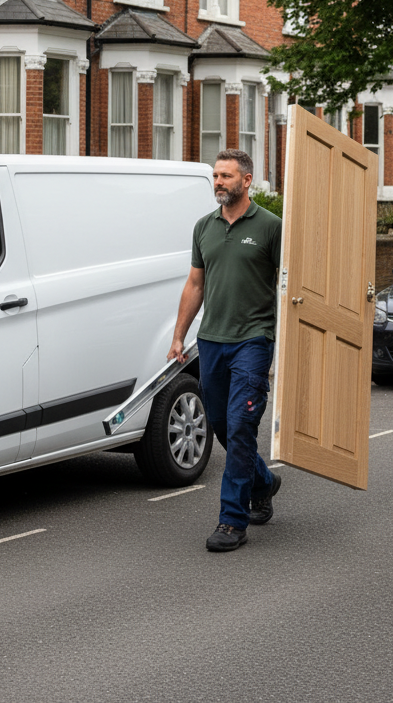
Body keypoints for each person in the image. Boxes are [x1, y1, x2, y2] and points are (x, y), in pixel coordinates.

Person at [167, 149, 283, 552]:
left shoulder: (271, 227)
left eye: (226, 176)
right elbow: (195, 285)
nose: (218, 182)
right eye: (216, 176)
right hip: (212, 340)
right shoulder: (205, 228)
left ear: (246, 181)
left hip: (253, 339)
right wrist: (179, 335)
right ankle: (265, 481)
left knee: (240, 425)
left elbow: (291, 286)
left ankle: (232, 521)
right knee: (219, 424)